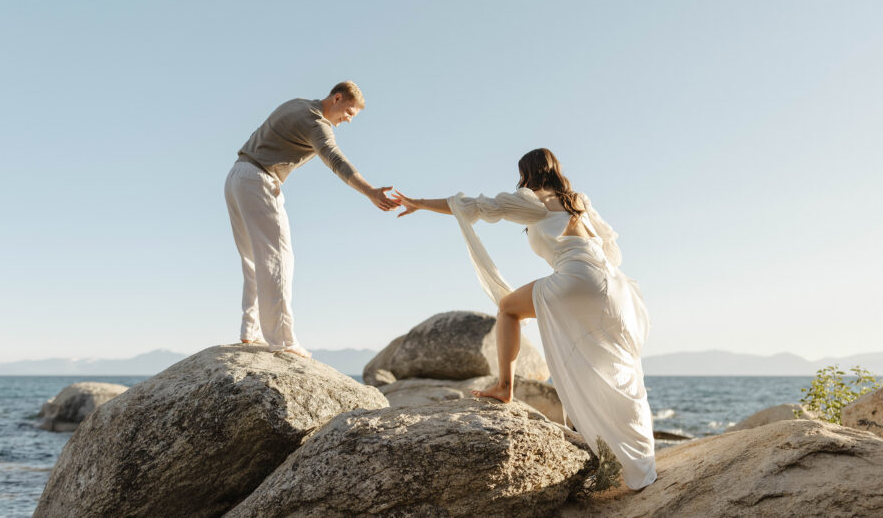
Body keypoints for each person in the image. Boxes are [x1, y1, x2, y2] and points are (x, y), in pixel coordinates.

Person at [393, 148, 656, 490]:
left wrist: (418, 202)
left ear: (526, 173)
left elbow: (470, 205)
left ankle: (504, 386)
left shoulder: (530, 200)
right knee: (616, 365)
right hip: (611, 284)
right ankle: (639, 456)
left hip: (576, 278)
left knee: (507, 308)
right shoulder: (578, 199)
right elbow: (610, 247)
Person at [225, 81, 398, 358]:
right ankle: (283, 340)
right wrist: (370, 192)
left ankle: (250, 331)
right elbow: (335, 160)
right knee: (279, 258)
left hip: (238, 174)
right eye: (349, 112)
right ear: (337, 98)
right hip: (259, 179)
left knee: (253, 259)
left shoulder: (296, 103)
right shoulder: (316, 123)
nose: (348, 119)